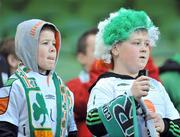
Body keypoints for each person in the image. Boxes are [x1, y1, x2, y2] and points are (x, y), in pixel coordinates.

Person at [86, 8, 179, 137]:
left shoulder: (157, 86)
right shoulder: (105, 84)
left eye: (147, 44)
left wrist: (165, 126)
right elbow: (93, 122)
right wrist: (129, 97)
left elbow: (177, 124)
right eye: (137, 43)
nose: (144, 49)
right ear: (115, 48)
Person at [0, 19, 77, 137]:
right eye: (45, 43)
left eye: (54, 43)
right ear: (28, 48)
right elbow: (5, 130)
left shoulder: (64, 90)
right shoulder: (15, 85)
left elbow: (71, 131)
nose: (52, 49)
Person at [66, 28, 108, 137]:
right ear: (81, 57)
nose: (103, 55)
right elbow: (90, 102)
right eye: (97, 49)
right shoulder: (69, 87)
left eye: (106, 49)